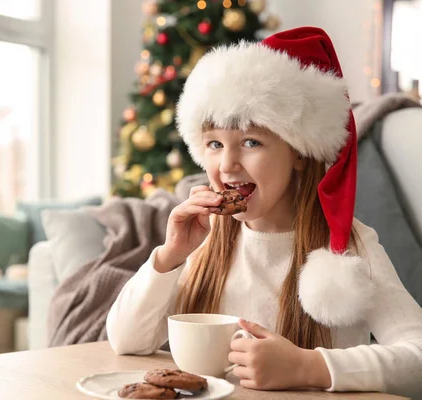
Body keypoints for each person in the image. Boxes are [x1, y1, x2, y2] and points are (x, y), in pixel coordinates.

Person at [106, 27, 422, 397]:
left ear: (300, 152)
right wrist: (168, 257)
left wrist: (309, 367)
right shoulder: (202, 244)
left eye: (251, 142)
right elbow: (126, 341)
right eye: (214, 144)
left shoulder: (350, 247)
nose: (227, 164)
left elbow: (416, 359)